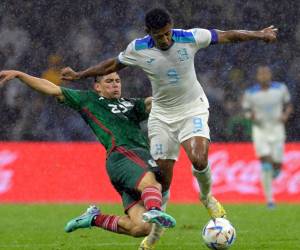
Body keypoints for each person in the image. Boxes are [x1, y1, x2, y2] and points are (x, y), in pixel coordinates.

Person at [61, 8, 277, 249]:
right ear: (148, 33)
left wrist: (259, 34)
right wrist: (81, 74)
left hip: (192, 109)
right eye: (158, 36)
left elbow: (227, 35)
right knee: (162, 181)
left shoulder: (189, 37)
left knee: (198, 157)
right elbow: (111, 64)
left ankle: (206, 197)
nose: (164, 40)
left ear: (172, 27)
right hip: (161, 116)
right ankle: (153, 236)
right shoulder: (138, 48)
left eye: (166, 34)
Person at [0, 70, 176, 239]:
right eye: (109, 81)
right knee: (152, 183)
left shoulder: (131, 104)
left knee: (141, 227)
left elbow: (154, 102)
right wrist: (20, 75)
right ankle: (156, 210)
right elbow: (52, 88)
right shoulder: (89, 100)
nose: (115, 85)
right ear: (97, 87)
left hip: (127, 165)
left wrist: (178, 92)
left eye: (117, 81)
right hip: (123, 154)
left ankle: (93, 218)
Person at [242, 65, 293, 208]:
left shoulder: (280, 89)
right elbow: (246, 110)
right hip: (260, 130)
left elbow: (289, 105)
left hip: (277, 129)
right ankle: (270, 200)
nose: (264, 76)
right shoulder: (250, 93)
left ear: (270, 75)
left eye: (266, 73)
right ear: (257, 77)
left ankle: (276, 170)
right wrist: (250, 116)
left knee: (276, 163)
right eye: (261, 74)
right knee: (266, 163)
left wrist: (285, 115)